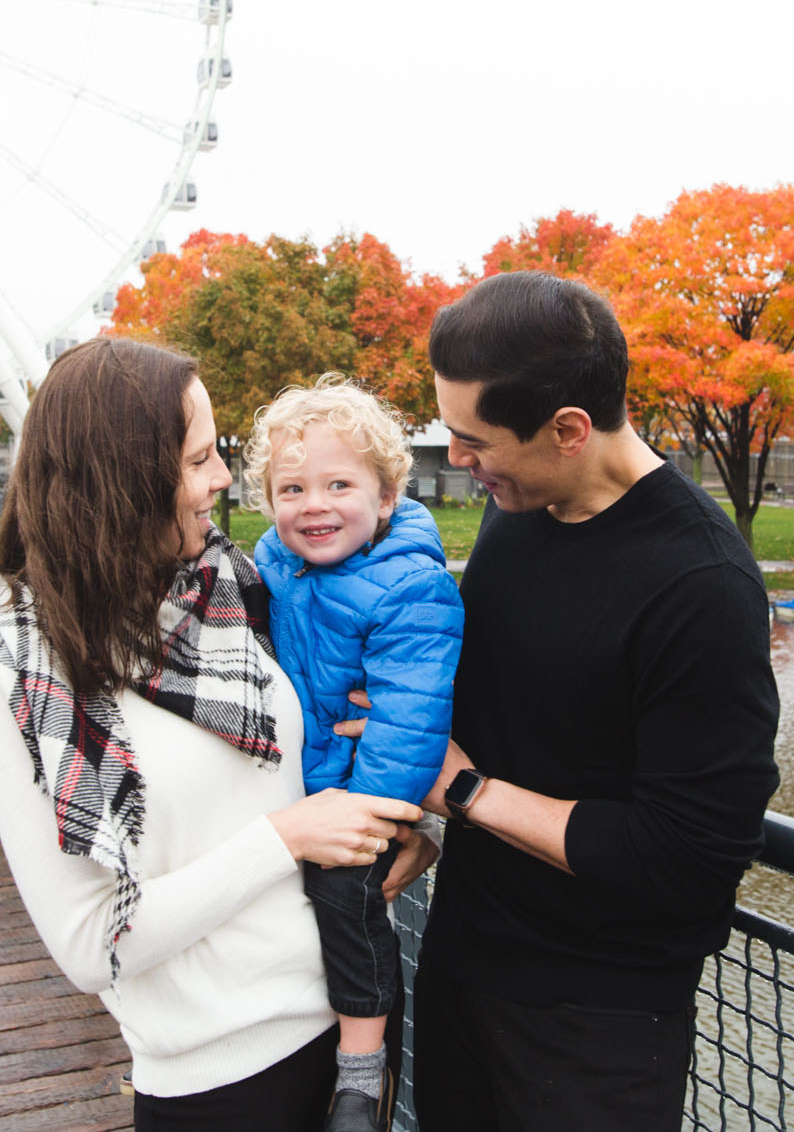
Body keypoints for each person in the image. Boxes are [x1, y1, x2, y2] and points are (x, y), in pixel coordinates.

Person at [0, 337, 428, 1131]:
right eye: (200, 459)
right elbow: (88, 941)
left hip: (347, 1037)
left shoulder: (236, 589)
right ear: (122, 476)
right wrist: (286, 838)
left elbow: (329, 753)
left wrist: (393, 825)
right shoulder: (25, 669)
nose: (222, 479)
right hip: (215, 1085)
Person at [406, 270, 781, 1131]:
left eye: (475, 440)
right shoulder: (519, 505)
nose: (458, 461)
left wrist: (469, 794)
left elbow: (690, 853)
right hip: (463, 964)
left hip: (596, 1021)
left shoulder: (701, 585)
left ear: (569, 429)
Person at [244, 376, 462, 1132]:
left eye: (340, 484)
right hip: (293, 793)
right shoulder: (270, 564)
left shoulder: (411, 588)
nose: (315, 504)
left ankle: (362, 1071)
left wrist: (373, 821)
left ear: (387, 496)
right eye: (292, 487)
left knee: (347, 898)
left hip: (355, 799)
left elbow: (409, 720)